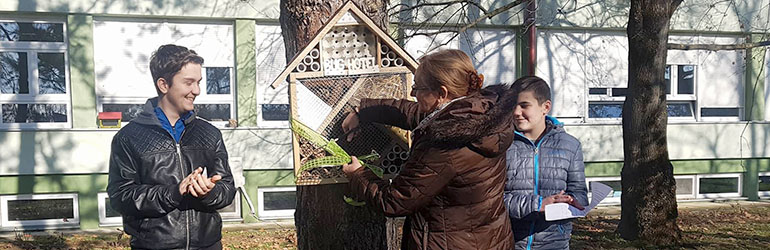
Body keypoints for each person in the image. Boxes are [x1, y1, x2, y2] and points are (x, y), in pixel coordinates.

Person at [341, 49, 517, 249]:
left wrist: (358, 175)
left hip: (448, 243)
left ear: (442, 93)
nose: (412, 93)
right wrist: (363, 110)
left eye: (417, 87)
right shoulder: (480, 114)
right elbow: (413, 113)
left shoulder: (446, 145)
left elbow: (396, 201)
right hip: (490, 239)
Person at [107, 44, 236, 250]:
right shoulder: (128, 137)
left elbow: (227, 189)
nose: (197, 90)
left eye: (199, 82)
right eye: (189, 83)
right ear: (163, 85)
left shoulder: (210, 134)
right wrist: (173, 193)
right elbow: (120, 196)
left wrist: (209, 192)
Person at [504, 76, 588, 250]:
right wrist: (538, 204)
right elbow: (492, 200)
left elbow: (580, 195)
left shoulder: (570, 146)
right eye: (513, 106)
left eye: (524, 105)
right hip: (509, 243)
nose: (516, 112)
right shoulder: (501, 145)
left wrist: (571, 202)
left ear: (545, 107)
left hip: (555, 245)